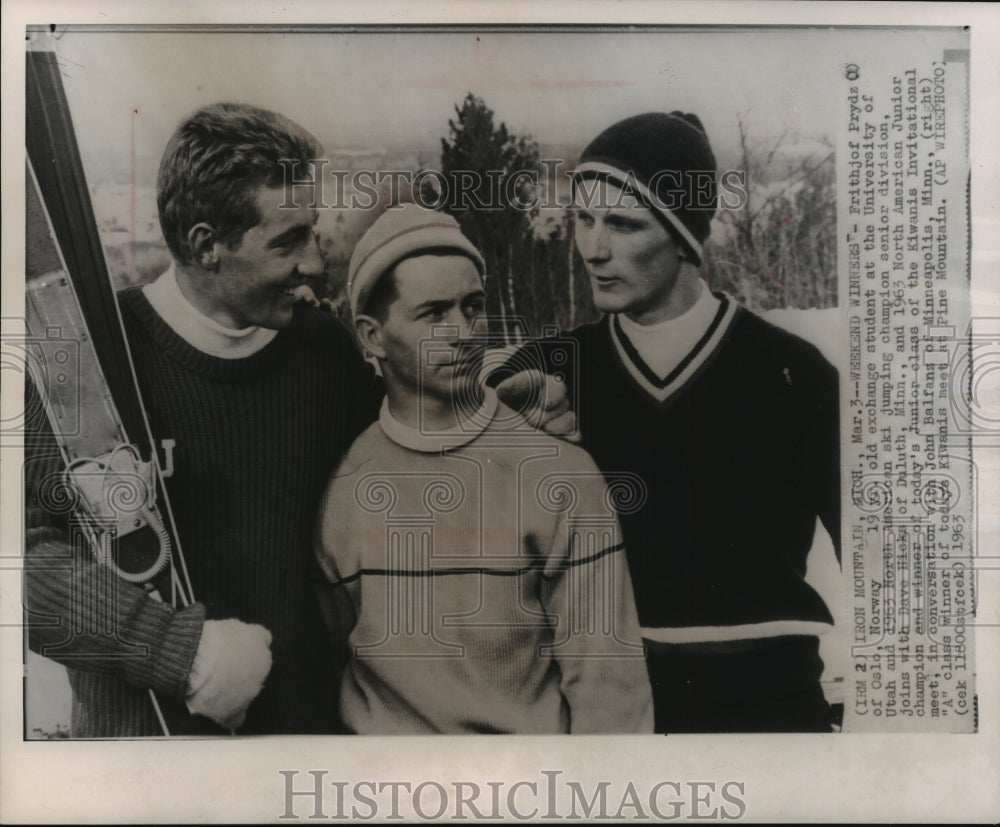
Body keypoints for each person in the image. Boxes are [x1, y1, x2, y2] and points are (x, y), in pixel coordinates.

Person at [24, 102, 570, 736]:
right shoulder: (86, 365)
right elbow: (21, 565)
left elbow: (413, 450)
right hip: (148, 756)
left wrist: (506, 404)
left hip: (307, 748)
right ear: (207, 246)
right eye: (288, 241)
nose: (315, 262)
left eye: (312, 231)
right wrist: (178, 651)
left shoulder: (322, 349)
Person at [509, 112, 841, 732]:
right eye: (584, 219)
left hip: (770, 711)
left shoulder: (793, 374)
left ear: (685, 239)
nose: (592, 248)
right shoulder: (551, 371)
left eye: (623, 224)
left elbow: (890, 575)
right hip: (608, 712)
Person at [314, 204, 654, 734]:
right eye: (433, 314)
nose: (463, 331)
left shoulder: (561, 475)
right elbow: (328, 667)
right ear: (372, 336)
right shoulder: (341, 489)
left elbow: (610, 689)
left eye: (472, 307)